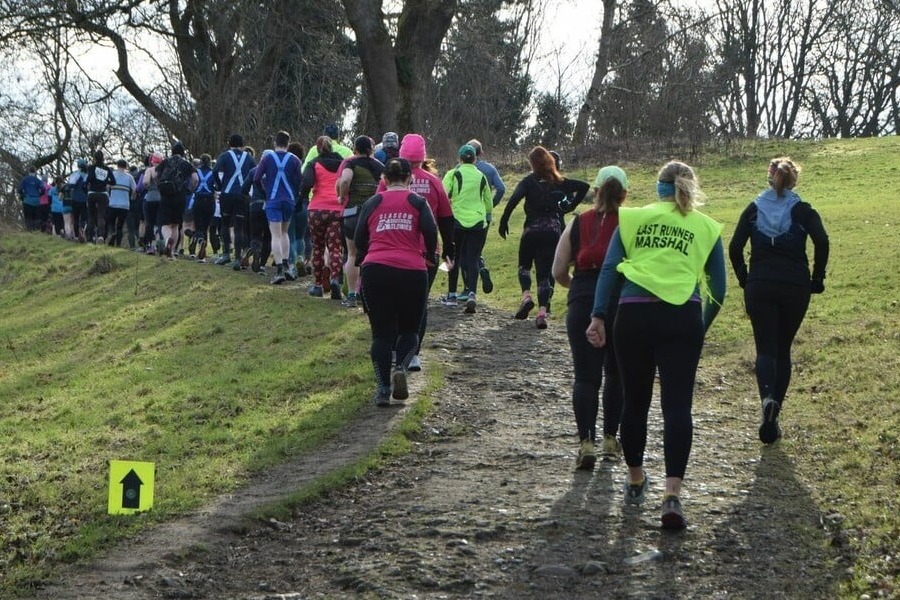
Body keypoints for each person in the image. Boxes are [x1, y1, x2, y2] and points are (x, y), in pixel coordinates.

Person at [585, 160, 725, 530]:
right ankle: (672, 495)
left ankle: (635, 478)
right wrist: (700, 326)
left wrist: (598, 316)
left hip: (632, 316)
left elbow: (609, 270)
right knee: (677, 406)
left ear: (657, 187)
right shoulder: (706, 226)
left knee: (635, 401)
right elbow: (719, 289)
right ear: (690, 187)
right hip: (682, 316)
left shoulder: (632, 219)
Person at [728, 157, 829, 444]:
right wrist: (817, 278)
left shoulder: (753, 209)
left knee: (765, 349)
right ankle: (773, 419)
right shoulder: (803, 210)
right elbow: (822, 241)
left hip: (760, 284)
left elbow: (734, 247)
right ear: (794, 180)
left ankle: (766, 399)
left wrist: (744, 277)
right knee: (783, 349)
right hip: (795, 285)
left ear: (769, 177)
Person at [552, 166, 628, 469]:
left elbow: (558, 270)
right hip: (620, 302)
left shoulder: (577, 222)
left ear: (595, 191)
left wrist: (577, 287)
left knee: (586, 377)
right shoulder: (631, 223)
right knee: (616, 374)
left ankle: (586, 444)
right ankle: (610, 440)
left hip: (583, 300)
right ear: (625, 194)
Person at [354, 157, 438, 406]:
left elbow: (359, 237)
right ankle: (400, 367)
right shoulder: (418, 201)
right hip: (412, 270)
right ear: (409, 178)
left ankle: (382, 388)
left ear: (384, 179)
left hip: (376, 269)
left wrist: (366, 253)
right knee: (410, 330)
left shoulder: (373, 202)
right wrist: (430, 255)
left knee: (381, 335)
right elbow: (430, 231)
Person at [377, 133, 455, 372]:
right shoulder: (434, 182)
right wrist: (448, 248)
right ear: (422, 157)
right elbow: (446, 218)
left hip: (391, 249)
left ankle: (393, 348)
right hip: (426, 253)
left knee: (392, 302)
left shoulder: (387, 182)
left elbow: (375, 211)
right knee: (418, 304)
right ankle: (413, 353)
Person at [498, 146, 589, 329]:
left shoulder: (528, 181)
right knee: (544, 274)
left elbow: (514, 199)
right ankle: (541, 313)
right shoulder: (558, 181)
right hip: (553, 231)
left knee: (524, 266)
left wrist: (504, 220)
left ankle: (526, 296)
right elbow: (584, 186)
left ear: (532, 163)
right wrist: (571, 206)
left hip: (531, 229)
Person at [442, 144, 493, 314]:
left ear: (460, 158)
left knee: (453, 257)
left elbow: (444, 194)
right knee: (473, 258)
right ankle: (472, 293)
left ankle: (451, 295)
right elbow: (488, 202)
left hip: (457, 220)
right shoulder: (481, 176)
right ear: (475, 159)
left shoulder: (453, 173)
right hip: (478, 221)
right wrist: (485, 214)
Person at [336, 135, 384, 307]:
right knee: (372, 254)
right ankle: (368, 294)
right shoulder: (380, 166)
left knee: (352, 254)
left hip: (352, 213)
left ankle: (351, 295)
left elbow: (345, 180)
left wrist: (341, 196)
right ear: (371, 149)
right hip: (373, 215)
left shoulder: (351, 163)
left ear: (355, 148)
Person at [254, 131, 303, 284]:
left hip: (273, 200)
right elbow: (300, 180)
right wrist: (295, 194)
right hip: (289, 200)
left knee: (275, 235)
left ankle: (279, 270)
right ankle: (287, 266)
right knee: (284, 232)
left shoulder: (267, 158)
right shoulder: (295, 159)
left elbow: (256, 178)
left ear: (275, 143)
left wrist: (265, 192)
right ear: (288, 144)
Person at [300, 136, 345, 298]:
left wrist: (301, 199)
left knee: (318, 247)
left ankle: (318, 285)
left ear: (318, 149)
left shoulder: (314, 164)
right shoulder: (343, 164)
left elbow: (307, 183)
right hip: (337, 209)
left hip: (317, 209)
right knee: (335, 247)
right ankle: (334, 279)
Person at [467, 138, 506, 294]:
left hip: (464, 214)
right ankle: (481, 267)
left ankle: (468, 288)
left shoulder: (459, 169)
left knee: (465, 251)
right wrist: (491, 206)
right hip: (484, 216)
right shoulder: (489, 169)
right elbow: (501, 188)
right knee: (477, 249)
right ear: (481, 152)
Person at [214, 134, 256, 266]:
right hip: (242, 195)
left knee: (225, 224)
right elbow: (255, 173)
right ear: (242, 145)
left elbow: (215, 170)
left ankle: (226, 254)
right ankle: (238, 258)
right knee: (239, 227)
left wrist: (219, 186)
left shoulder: (224, 156)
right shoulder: (249, 157)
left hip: (227, 194)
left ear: (229, 143)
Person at [156, 141, 199, 258]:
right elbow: (195, 179)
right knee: (175, 225)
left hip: (165, 195)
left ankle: (167, 240)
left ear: (172, 152)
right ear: (183, 153)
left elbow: (156, 175)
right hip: (180, 196)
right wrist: (190, 189)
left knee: (165, 223)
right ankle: (172, 252)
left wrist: (160, 185)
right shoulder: (187, 164)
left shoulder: (165, 162)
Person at [191, 154, 217, 260]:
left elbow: (192, 184)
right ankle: (203, 251)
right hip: (210, 200)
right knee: (206, 226)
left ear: (200, 162)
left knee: (198, 225)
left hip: (198, 199)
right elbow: (218, 186)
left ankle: (200, 241)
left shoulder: (196, 172)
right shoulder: (214, 172)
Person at [85, 150, 115, 243]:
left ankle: (90, 238)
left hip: (92, 193)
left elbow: (88, 180)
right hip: (103, 193)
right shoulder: (107, 169)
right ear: (103, 158)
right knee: (101, 216)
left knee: (91, 216)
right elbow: (114, 181)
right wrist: (106, 182)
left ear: (94, 158)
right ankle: (101, 236)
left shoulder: (91, 168)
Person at [139, 152, 164, 253]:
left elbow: (145, 182)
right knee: (160, 223)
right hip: (161, 198)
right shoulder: (164, 170)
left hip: (150, 198)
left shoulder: (149, 170)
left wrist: (148, 187)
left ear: (152, 161)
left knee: (149, 223)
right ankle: (160, 244)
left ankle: (150, 246)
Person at [107, 159, 136, 247]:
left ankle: (112, 233)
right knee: (120, 225)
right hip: (124, 205)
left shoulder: (112, 174)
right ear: (126, 166)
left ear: (117, 165)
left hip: (113, 203)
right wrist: (132, 197)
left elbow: (107, 187)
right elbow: (134, 189)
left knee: (111, 222)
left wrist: (108, 196)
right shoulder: (129, 177)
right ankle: (118, 243)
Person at [65, 158, 90, 241]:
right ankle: (83, 230)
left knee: (76, 218)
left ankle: (76, 236)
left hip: (75, 199)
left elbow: (70, 185)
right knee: (84, 218)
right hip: (84, 200)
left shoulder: (75, 174)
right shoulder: (87, 175)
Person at [18, 166, 44, 231]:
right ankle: (36, 230)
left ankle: (29, 230)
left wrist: (22, 195)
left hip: (27, 200)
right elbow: (43, 189)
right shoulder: (38, 180)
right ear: (35, 172)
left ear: (28, 171)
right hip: (36, 201)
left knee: (28, 217)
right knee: (36, 217)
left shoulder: (25, 179)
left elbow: (20, 189)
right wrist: (40, 195)